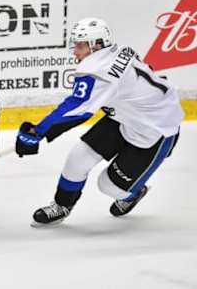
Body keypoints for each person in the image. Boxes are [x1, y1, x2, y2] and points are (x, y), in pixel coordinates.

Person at [15, 17, 183, 225]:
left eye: (80, 45)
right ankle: (62, 205)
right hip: (125, 117)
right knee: (78, 158)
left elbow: (77, 108)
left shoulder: (98, 70)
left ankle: (133, 193)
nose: (75, 52)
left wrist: (37, 131)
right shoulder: (118, 50)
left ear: (96, 45)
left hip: (156, 130)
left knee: (109, 186)